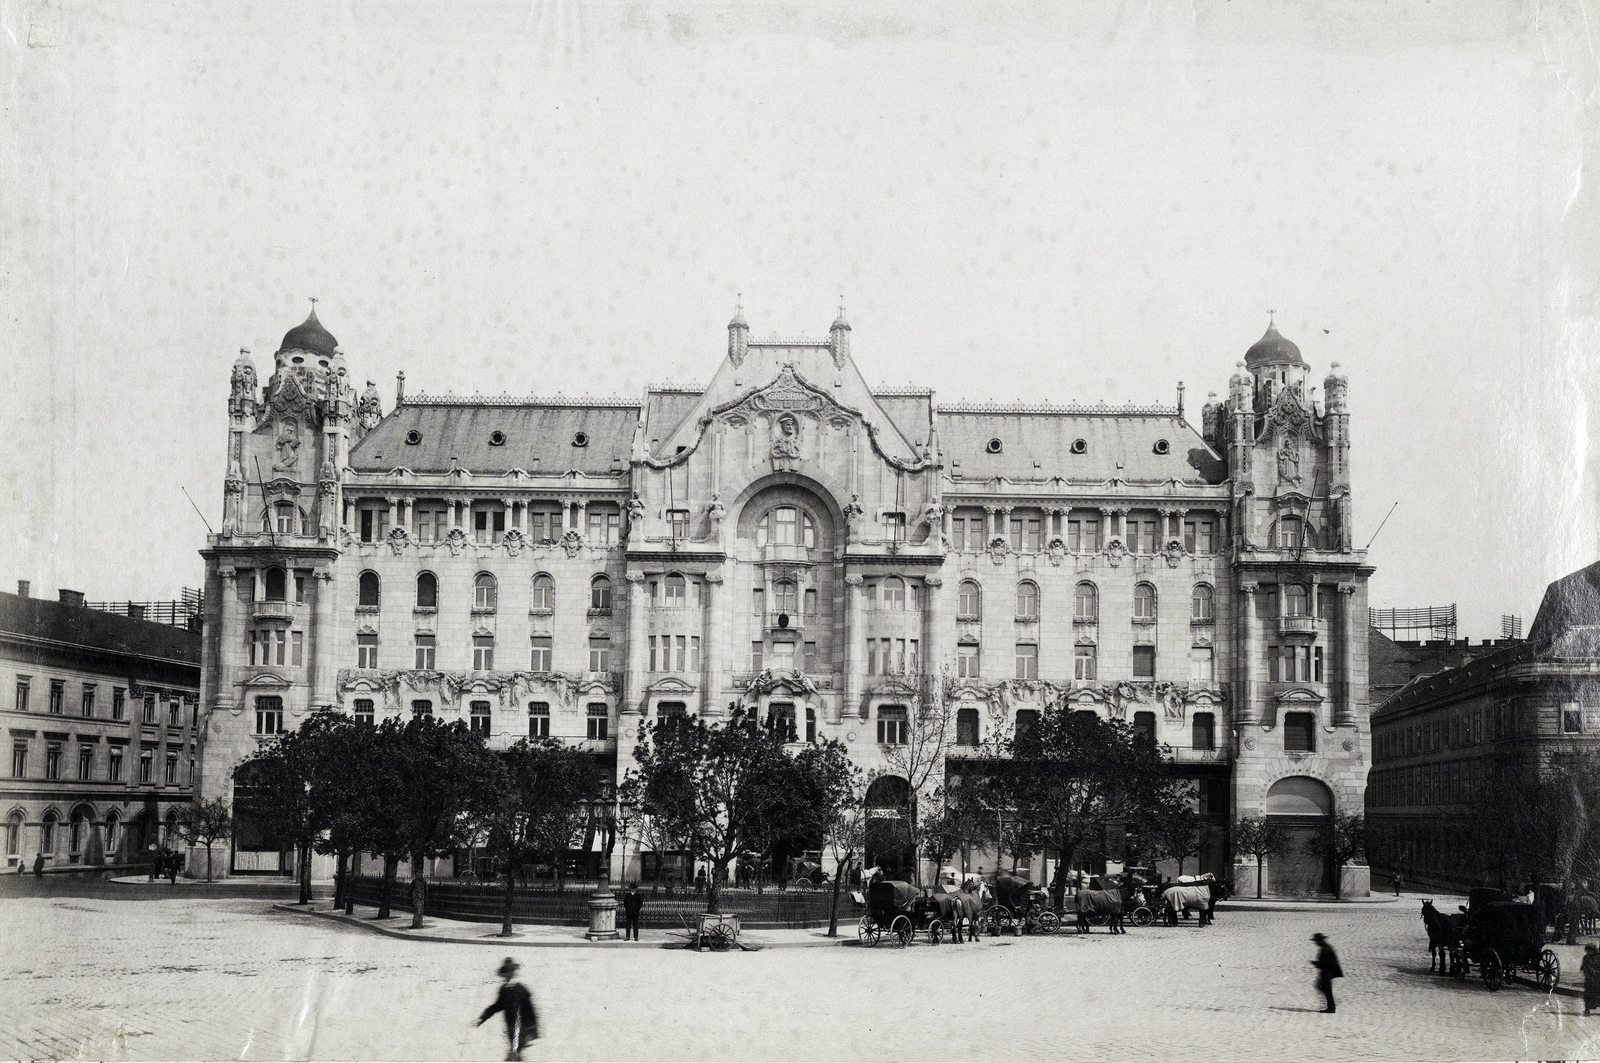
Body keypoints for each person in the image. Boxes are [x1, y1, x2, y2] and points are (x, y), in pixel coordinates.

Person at [476, 957, 538, 1061]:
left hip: (521, 1027)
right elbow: (497, 1006)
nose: (506, 976)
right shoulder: (504, 990)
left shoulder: (521, 989)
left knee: (514, 1054)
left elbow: (529, 1010)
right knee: (515, 1054)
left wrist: (532, 1029)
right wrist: (482, 1018)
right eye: (505, 973)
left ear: (513, 973)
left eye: (509, 972)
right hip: (510, 1027)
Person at [1312, 933, 1342, 1013]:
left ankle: (1331, 1007)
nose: (1316, 943)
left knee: (1325, 988)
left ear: (1320, 941)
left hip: (1327, 972)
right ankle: (1331, 1005)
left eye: (1316, 941)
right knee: (1323, 987)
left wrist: (1316, 963)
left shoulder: (1325, 949)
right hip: (1328, 972)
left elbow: (1326, 963)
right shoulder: (1326, 947)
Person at [1582, 944, 1600, 1017]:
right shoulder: (1586, 957)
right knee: (1588, 994)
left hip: (1598, 978)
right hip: (1589, 978)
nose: (1588, 952)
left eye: (1590, 951)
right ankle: (1587, 1009)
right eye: (1587, 951)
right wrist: (1589, 974)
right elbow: (1584, 967)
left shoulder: (1599, 957)